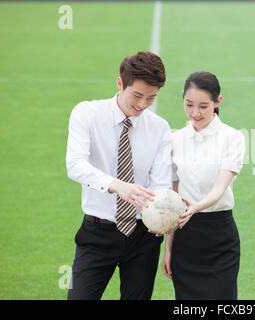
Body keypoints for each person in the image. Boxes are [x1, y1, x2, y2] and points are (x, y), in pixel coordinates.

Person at [66, 51, 172, 300]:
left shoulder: (160, 128)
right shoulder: (87, 114)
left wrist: (165, 209)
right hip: (97, 232)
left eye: (151, 97)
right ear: (120, 83)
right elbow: (75, 164)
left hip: (144, 236)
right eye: (137, 95)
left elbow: (160, 183)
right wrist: (117, 186)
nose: (143, 104)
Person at [161, 71, 246, 299]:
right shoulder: (175, 140)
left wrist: (194, 208)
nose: (195, 113)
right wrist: (168, 248)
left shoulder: (233, 138)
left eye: (203, 106)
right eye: (189, 105)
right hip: (185, 237)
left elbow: (219, 189)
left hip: (220, 236)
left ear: (218, 102)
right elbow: (174, 196)